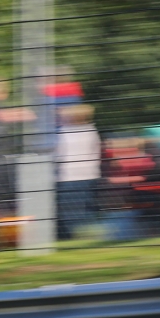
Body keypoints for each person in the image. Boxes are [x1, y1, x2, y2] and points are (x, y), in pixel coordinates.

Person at [55, 103, 101, 240]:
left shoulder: (66, 132)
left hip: (70, 176)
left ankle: (78, 236)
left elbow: (59, 154)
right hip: (89, 174)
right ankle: (87, 234)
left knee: (71, 210)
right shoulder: (91, 131)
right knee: (85, 207)